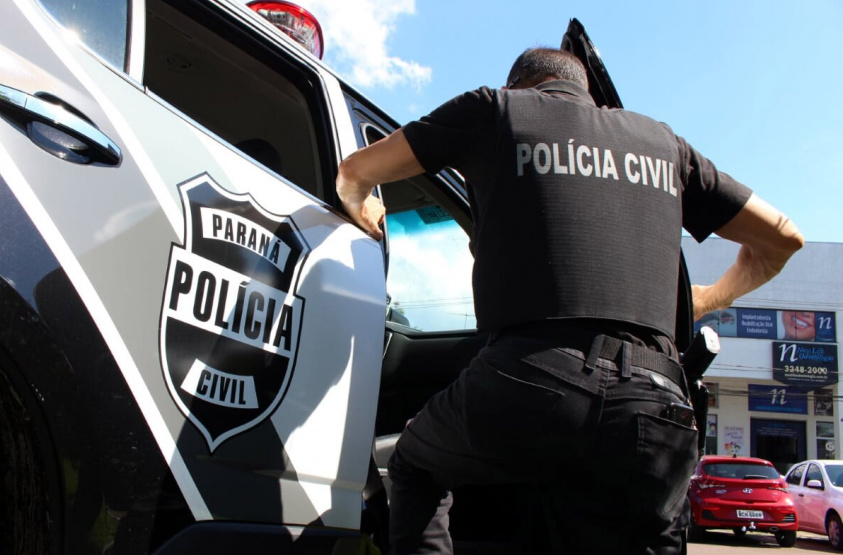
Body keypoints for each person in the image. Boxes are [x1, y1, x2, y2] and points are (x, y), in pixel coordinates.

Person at [336, 48, 804, 554]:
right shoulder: (666, 145)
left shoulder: (494, 110)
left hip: (530, 375)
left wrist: (364, 207)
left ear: (520, 86)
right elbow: (783, 237)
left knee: (415, 465)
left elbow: (355, 171)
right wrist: (704, 300)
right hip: (656, 401)